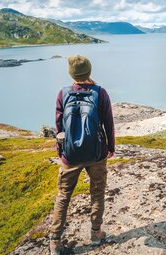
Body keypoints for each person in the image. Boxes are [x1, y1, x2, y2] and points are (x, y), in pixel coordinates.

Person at [49, 55, 115, 255]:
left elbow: (60, 127)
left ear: (72, 74)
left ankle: (54, 243)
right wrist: (110, 147)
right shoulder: (100, 93)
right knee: (97, 192)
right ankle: (96, 234)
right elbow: (108, 124)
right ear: (89, 71)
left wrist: (62, 151)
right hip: (96, 154)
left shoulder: (63, 93)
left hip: (71, 155)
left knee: (63, 196)